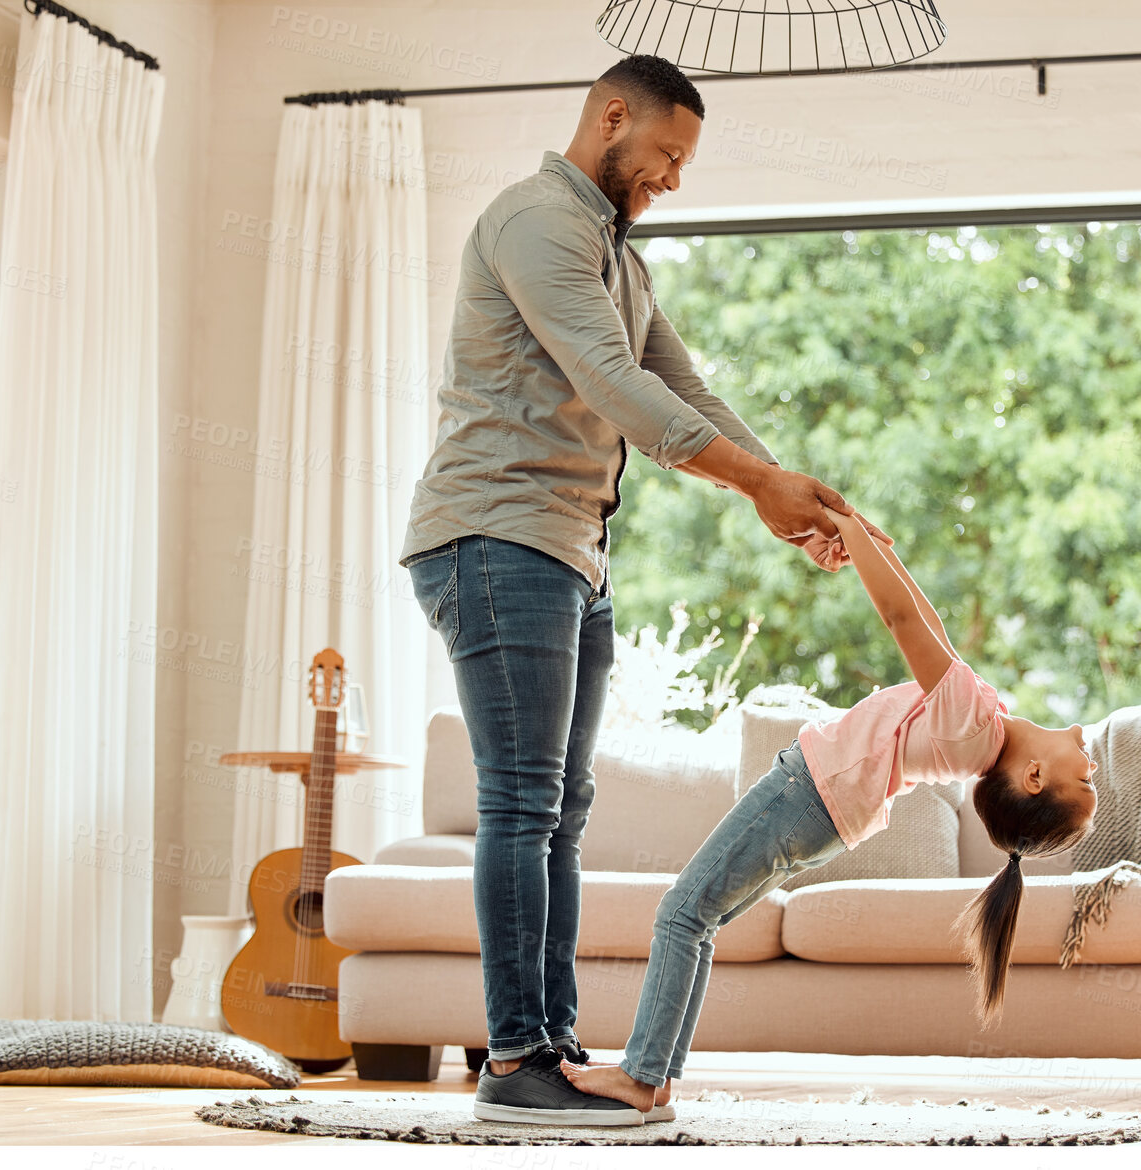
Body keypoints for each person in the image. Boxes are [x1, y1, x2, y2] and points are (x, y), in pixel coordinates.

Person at [401, 54, 886, 1127]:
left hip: (571, 553)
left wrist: (790, 493)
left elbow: (680, 384)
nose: (671, 178)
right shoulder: (537, 222)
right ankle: (514, 1059)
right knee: (522, 806)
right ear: (611, 118)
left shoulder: (621, 258)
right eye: (665, 154)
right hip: (496, 538)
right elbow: (614, 386)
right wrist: (757, 485)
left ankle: (553, 1050)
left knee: (560, 815)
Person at [559, 505, 1100, 1115]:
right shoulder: (980, 722)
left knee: (680, 915)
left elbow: (901, 620)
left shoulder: (971, 726)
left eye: (1084, 775)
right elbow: (926, 621)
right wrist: (867, 540)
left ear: (1033, 778)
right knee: (698, 920)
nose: (1088, 752)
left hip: (806, 795)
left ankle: (640, 1077)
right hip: (818, 815)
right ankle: (652, 1081)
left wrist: (846, 529)